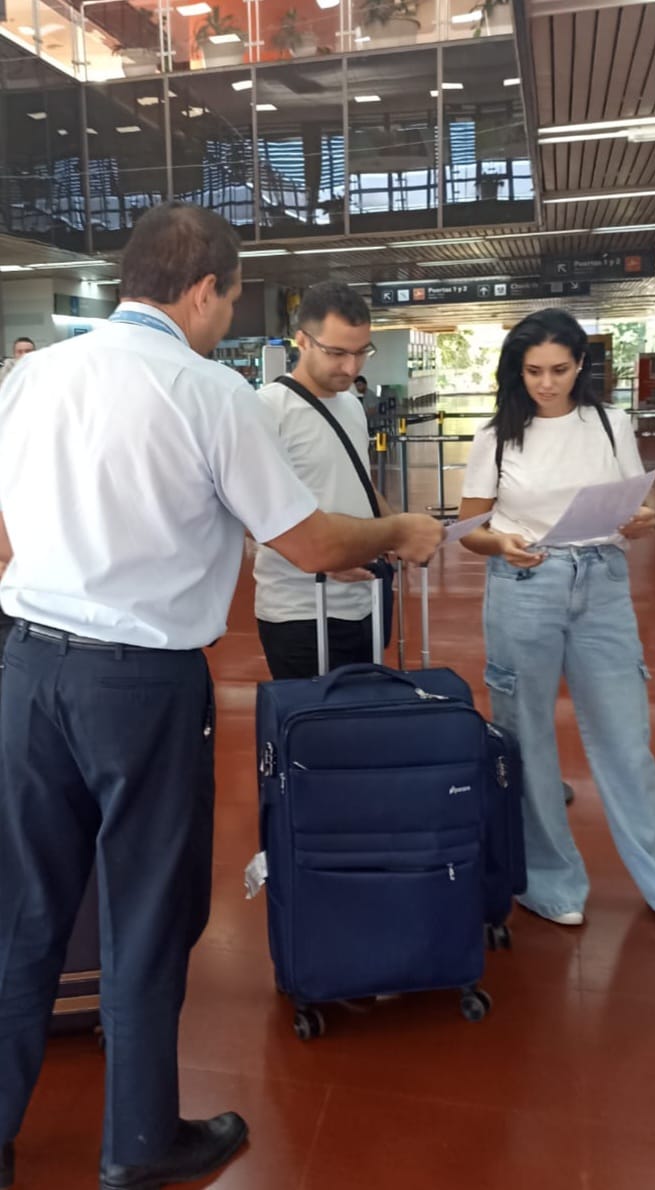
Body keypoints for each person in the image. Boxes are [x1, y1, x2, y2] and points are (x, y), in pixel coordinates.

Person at [0, 202, 442, 1190]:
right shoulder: (208, 392)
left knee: (24, 911)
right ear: (204, 290)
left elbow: (3, 532)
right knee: (149, 912)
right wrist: (397, 530)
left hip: (28, 671)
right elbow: (313, 544)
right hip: (141, 684)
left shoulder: (31, 375)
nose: (224, 317)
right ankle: (140, 1139)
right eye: (229, 300)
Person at [457, 308, 655, 933]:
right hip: (525, 582)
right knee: (528, 742)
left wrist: (644, 517)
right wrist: (504, 542)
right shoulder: (498, 435)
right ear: (516, 372)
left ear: (581, 367)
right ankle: (548, 880)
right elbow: (470, 530)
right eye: (534, 371)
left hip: (602, 582)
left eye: (560, 370)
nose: (547, 383)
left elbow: (637, 503)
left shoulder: (610, 423)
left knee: (627, 739)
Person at [255, 283, 390, 679]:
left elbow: (358, 481)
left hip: (365, 602)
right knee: (317, 733)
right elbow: (250, 514)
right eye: (337, 353)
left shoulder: (350, 403)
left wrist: (396, 530)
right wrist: (323, 557)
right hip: (300, 611)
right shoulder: (267, 409)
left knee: (366, 724)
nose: (351, 368)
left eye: (361, 351)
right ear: (302, 341)